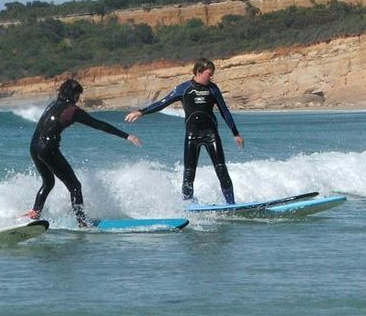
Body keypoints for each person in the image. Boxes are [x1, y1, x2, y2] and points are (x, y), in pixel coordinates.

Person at [21, 78, 140, 226]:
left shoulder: (53, 105)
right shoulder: (73, 111)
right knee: (75, 186)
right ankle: (81, 220)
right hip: (48, 148)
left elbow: (50, 125)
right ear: (74, 94)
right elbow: (99, 125)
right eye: (78, 95)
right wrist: (126, 135)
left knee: (48, 182)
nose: (79, 98)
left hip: (34, 147)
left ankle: (35, 212)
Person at [125, 57, 244, 204]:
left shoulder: (213, 89)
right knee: (189, 172)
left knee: (221, 169)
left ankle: (231, 204)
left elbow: (225, 111)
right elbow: (163, 103)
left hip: (211, 134)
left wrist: (235, 133)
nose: (211, 77)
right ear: (199, 72)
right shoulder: (184, 88)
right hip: (191, 136)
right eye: (209, 74)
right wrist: (141, 112)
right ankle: (188, 204)